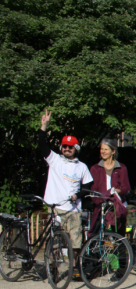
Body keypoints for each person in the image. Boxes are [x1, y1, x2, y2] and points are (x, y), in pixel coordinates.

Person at [38, 110, 93, 263]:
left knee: (75, 242)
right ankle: (53, 269)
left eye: (70, 147)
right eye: (64, 146)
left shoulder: (82, 167)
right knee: (54, 242)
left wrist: (78, 195)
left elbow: (87, 187)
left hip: (74, 209)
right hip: (55, 207)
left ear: (76, 148)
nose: (67, 149)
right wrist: (44, 126)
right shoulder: (54, 159)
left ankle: (74, 268)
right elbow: (42, 145)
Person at [89, 138, 130, 236]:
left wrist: (117, 191)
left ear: (113, 151)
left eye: (106, 149)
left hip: (117, 205)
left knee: (118, 235)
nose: (103, 152)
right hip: (101, 205)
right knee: (98, 234)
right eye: (102, 149)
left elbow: (126, 188)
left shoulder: (121, 167)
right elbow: (93, 190)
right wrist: (101, 200)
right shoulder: (95, 168)